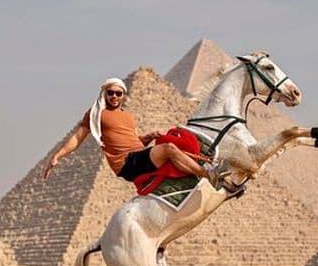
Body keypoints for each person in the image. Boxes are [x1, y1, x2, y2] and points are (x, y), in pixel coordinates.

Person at [43, 78, 229, 187]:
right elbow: (78, 137)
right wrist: (58, 155)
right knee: (169, 148)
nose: (114, 96)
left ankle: (210, 170)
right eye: (111, 93)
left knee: (183, 143)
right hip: (126, 163)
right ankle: (208, 175)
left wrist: (146, 138)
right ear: (104, 94)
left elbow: (131, 141)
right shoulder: (96, 113)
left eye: (118, 93)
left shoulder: (128, 116)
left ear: (123, 95)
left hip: (138, 155)